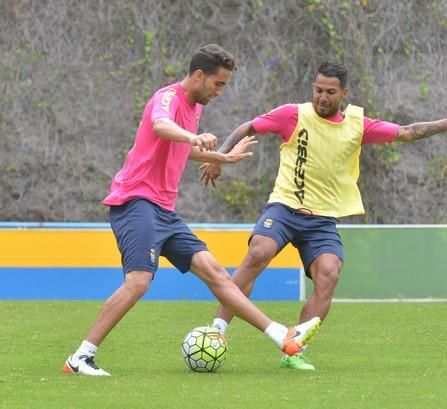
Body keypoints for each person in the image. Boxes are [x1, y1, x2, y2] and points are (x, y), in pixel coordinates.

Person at [200, 61, 447, 370]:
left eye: (330, 92)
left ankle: (294, 349)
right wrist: (220, 158)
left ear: (343, 93)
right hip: (284, 208)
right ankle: (217, 331)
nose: (322, 97)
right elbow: (248, 127)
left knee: (329, 274)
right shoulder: (292, 114)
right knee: (259, 252)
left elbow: (406, 133)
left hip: (321, 220)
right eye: (318, 90)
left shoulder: (357, 125)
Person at [62, 44, 321, 376]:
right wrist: (192, 136)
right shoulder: (168, 98)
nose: (220, 92)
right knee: (138, 282)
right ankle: (80, 358)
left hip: (164, 212)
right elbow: (161, 126)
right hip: (136, 202)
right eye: (218, 84)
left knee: (215, 273)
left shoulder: (195, 109)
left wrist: (221, 158)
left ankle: (281, 335)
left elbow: (180, 150)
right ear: (200, 76)